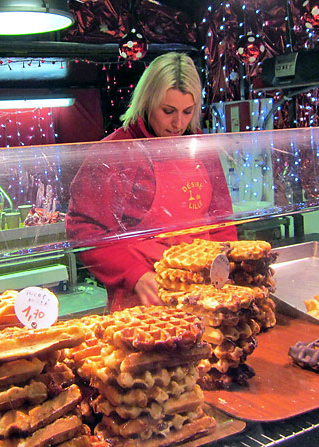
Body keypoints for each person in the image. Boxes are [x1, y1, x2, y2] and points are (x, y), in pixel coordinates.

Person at [66, 52, 237, 312]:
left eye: (187, 112)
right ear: (148, 102)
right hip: (145, 299)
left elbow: (221, 219)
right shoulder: (116, 152)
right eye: (168, 111)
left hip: (206, 293)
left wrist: (229, 264)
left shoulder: (200, 148)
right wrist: (135, 274)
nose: (178, 123)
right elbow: (85, 229)